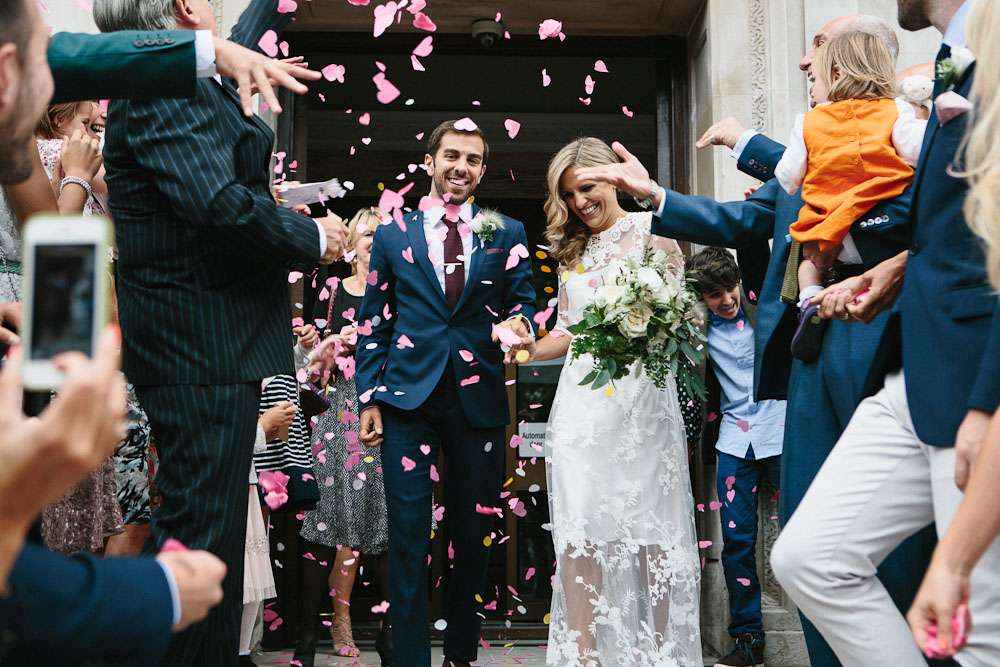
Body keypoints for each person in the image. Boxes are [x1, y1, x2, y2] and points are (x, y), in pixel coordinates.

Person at [572, 14, 942, 667]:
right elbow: (745, 217)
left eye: (819, 48)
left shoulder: (912, 131)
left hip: (891, 330)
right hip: (811, 343)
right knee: (805, 524)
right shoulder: (809, 144)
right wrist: (654, 193)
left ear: (856, 60)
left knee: (896, 536)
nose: (804, 63)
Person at [92, 0, 347, 663]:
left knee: (211, 536)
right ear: (182, 5)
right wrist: (311, 238)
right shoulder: (165, 84)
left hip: (203, 341)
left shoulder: (172, 79)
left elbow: (210, 189)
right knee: (202, 537)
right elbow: (215, 203)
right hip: (197, 343)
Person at [770, 0, 1000, 664]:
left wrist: (988, 401)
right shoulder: (954, 59)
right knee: (811, 557)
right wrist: (902, 268)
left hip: (975, 375)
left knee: (976, 627)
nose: (808, 64)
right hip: (916, 364)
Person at [354, 119, 536, 667]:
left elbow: (524, 303)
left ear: (482, 170)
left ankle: (460, 656)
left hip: (477, 402)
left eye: (473, 159)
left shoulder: (506, 231)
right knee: (408, 534)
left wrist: (521, 324)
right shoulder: (393, 234)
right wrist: (369, 398)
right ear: (430, 162)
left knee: (473, 531)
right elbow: (374, 322)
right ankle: (409, 658)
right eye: (452, 155)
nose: (462, 167)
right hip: (407, 400)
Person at [515, 137, 700, 664]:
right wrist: (525, 348)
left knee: (651, 532)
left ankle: (659, 656)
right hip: (583, 412)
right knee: (582, 532)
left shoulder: (655, 235)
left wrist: (646, 325)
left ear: (614, 179)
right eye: (569, 195)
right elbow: (566, 331)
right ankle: (586, 656)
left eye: (586, 188)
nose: (579, 203)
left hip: (642, 406)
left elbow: (680, 318)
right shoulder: (573, 252)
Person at [777, 30, 926, 361]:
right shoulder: (896, 110)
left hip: (828, 230)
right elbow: (921, 150)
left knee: (808, 264)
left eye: (814, 80)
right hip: (886, 223)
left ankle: (811, 301)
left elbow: (787, 177)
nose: (811, 90)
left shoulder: (808, 122)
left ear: (836, 73)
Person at [298, 207, 392, 665]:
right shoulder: (333, 290)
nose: (374, 240)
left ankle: (389, 626)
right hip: (338, 412)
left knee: (380, 517)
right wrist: (327, 343)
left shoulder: (395, 291)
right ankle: (339, 617)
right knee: (338, 518)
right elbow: (313, 360)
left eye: (380, 233)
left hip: (381, 409)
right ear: (351, 243)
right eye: (367, 233)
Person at [687, 247, 785, 667]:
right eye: (715, 294)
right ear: (701, 298)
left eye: (731, 289)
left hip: (781, 430)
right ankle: (748, 641)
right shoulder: (695, 332)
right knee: (737, 542)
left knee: (802, 529)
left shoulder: (767, 314)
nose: (726, 299)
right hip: (733, 440)